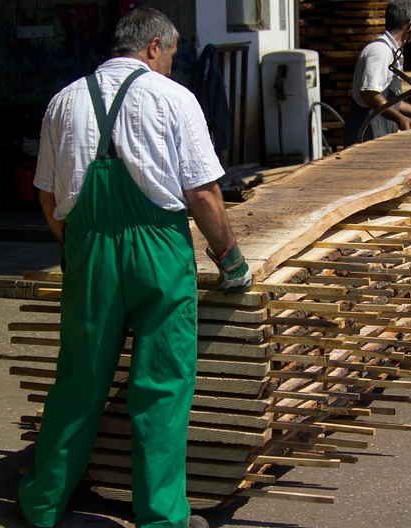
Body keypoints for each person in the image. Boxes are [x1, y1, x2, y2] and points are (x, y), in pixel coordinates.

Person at [17, 8, 252, 528]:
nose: (170, 64)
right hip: (158, 254)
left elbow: (48, 194)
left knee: (78, 380)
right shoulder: (173, 99)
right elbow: (204, 193)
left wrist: (80, 247)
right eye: (169, 54)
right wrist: (231, 259)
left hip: (89, 250)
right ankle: (162, 518)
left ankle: (42, 504)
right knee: (162, 385)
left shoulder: (64, 100)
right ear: (152, 47)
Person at [343, 0, 411, 146]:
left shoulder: (391, 51)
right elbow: (370, 94)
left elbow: (385, 96)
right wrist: (399, 118)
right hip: (365, 137)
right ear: (410, 26)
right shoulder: (381, 51)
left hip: (375, 136)